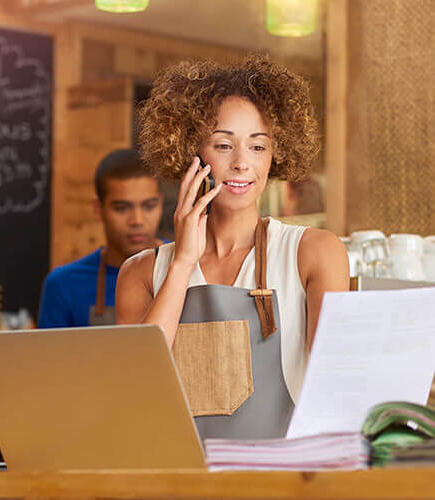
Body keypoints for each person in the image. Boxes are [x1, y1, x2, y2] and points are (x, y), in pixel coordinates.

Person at [116, 56, 349, 438]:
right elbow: (134, 388)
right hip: (177, 482)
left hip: (281, 482)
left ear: (276, 155)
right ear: (191, 152)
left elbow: (334, 388)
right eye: (224, 145)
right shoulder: (141, 272)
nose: (242, 164)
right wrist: (181, 265)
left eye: (258, 147)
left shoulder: (314, 253)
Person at [38, 148, 164, 328]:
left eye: (149, 206)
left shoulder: (186, 268)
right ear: (98, 208)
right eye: (122, 208)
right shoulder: (64, 285)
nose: (137, 220)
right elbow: (48, 356)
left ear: (160, 203)